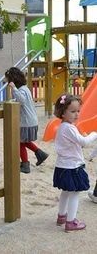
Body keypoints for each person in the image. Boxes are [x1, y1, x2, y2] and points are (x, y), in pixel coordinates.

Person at [53, 93, 97, 231]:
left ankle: (62, 216)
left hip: (62, 166)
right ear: (63, 113)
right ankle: (71, 222)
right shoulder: (69, 128)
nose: (77, 114)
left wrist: (81, 139)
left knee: (65, 192)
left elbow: (76, 143)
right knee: (74, 194)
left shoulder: (63, 127)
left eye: (78, 111)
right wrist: (94, 134)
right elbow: (83, 142)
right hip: (72, 167)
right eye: (72, 111)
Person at [5, 67, 49, 173]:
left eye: (8, 80)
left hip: (26, 122)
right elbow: (20, 100)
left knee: (20, 143)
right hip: (30, 121)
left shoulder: (21, 90)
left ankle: (25, 165)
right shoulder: (25, 88)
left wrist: (13, 88)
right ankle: (40, 154)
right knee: (23, 141)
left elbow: (22, 100)